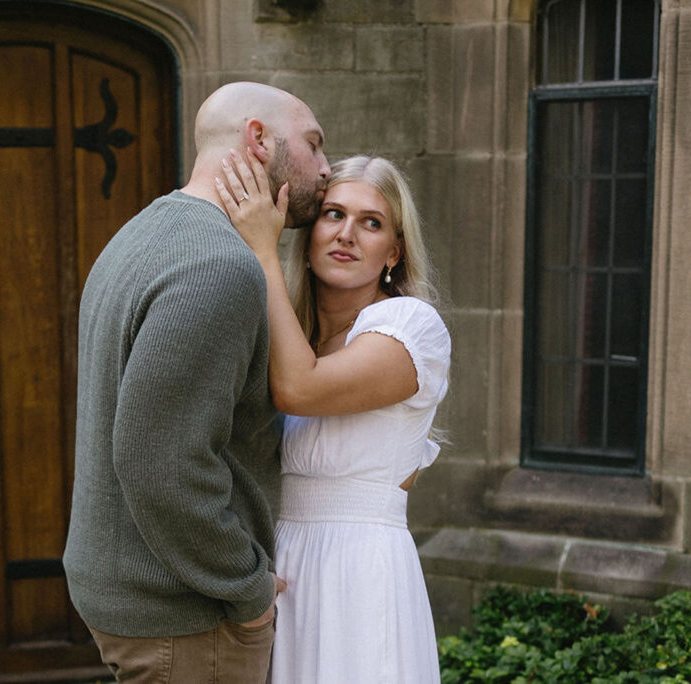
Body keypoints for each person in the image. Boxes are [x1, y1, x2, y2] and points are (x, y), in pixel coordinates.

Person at [62, 82, 330, 683]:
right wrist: (248, 588)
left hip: (138, 594)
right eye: (314, 145)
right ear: (258, 139)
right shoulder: (219, 266)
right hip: (187, 617)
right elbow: (162, 463)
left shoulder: (138, 235)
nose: (326, 169)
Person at [216, 151, 450, 683]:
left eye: (372, 223)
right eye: (333, 214)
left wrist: (262, 251)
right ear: (312, 229)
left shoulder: (412, 327)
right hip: (282, 567)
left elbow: (302, 389)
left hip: (359, 569)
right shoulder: (288, 334)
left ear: (394, 250)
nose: (347, 234)